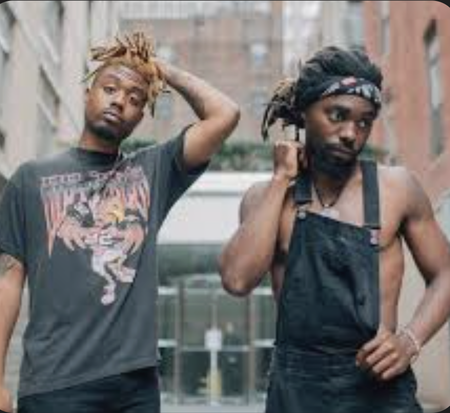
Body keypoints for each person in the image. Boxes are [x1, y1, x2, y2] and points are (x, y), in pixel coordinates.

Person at [0, 32, 239, 413]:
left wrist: (161, 70)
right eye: (110, 89)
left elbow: (225, 113)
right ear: (87, 94)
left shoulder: (152, 171)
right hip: (54, 382)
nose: (120, 101)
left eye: (135, 99)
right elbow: (8, 281)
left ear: (140, 116)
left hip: (134, 387)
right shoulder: (30, 179)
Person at [218, 46, 450, 413]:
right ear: (303, 112)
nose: (351, 134)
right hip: (296, 392)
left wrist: (409, 341)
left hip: (379, 388)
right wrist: (281, 180)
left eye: (364, 122)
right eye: (337, 115)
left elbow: (446, 273)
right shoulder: (265, 198)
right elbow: (236, 280)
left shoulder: (397, 189)